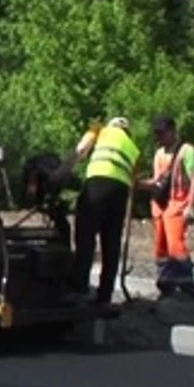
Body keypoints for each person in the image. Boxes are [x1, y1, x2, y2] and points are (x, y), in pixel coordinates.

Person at [63, 115, 140, 305]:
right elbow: (134, 179)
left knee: (86, 235)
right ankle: (104, 296)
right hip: (120, 191)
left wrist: (63, 171)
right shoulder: (133, 147)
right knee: (111, 243)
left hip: (97, 185)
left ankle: (79, 287)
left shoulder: (99, 130)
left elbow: (81, 150)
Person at [140, 115, 194, 300]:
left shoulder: (187, 151)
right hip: (160, 206)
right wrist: (138, 184)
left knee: (176, 247)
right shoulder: (159, 153)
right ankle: (167, 284)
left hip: (177, 205)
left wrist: (191, 206)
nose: (159, 138)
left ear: (173, 131)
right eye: (157, 134)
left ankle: (187, 285)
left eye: (162, 133)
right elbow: (158, 181)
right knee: (161, 249)